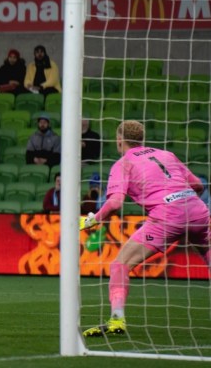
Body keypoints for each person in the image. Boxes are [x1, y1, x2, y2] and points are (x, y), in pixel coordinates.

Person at [81, 120, 211, 338]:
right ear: (140, 139)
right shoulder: (166, 154)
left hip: (166, 216)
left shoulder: (123, 164)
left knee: (120, 265)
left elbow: (114, 204)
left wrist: (92, 220)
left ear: (119, 139)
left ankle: (116, 319)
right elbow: (198, 185)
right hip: (198, 210)